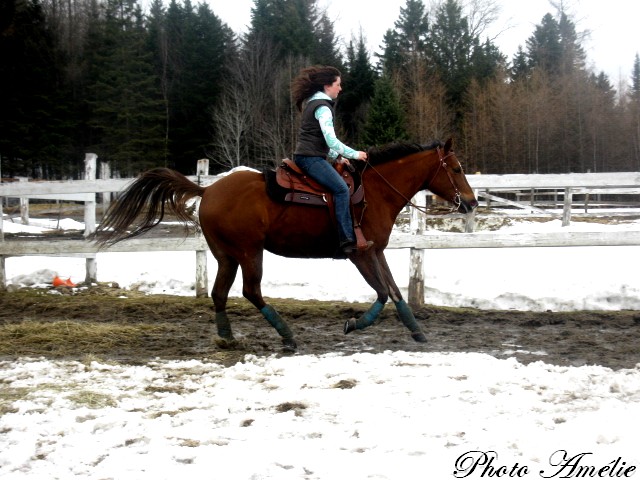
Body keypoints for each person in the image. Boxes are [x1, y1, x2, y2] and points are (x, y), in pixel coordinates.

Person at [291, 65, 372, 254]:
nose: (340, 88)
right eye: (338, 84)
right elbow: (330, 140)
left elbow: (319, 139)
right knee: (342, 190)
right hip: (310, 159)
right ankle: (345, 239)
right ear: (328, 86)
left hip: (311, 156)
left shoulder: (315, 103)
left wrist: (338, 157)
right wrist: (355, 154)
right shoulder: (323, 108)